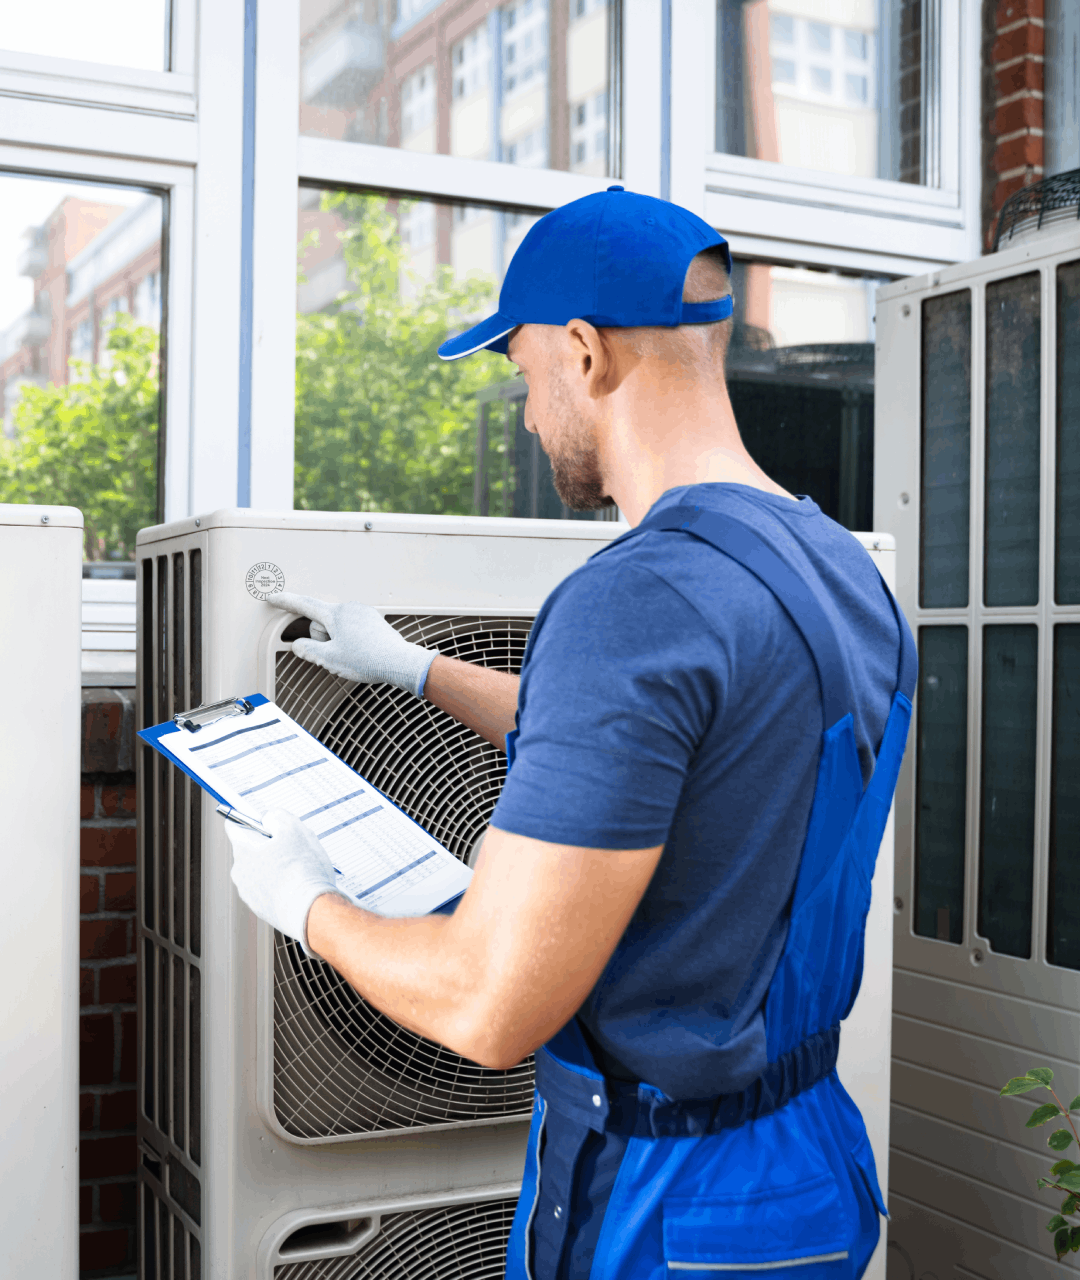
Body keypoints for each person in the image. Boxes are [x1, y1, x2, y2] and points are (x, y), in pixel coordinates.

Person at [224, 187, 914, 1279]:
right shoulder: (839, 568)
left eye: (527, 375)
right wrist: (415, 667)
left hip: (663, 1200)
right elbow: (686, 750)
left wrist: (307, 904)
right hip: (803, 1167)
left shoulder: (633, 600)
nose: (533, 414)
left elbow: (488, 1002)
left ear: (585, 351)